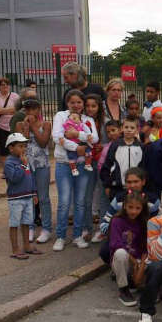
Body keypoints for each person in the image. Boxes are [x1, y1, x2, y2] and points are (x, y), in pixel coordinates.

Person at [51, 89, 99, 251]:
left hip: (83, 166)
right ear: (67, 103)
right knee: (64, 202)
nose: (76, 105)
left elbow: (95, 138)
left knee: (80, 202)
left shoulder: (87, 119)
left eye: (79, 102)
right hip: (64, 164)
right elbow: (57, 136)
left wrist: (76, 133)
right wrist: (78, 147)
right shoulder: (60, 116)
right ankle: (61, 236)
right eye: (72, 102)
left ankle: (77, 235)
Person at [14, 99, 53, 244]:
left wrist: (33, 128)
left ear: (39, 109)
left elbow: (43, 142)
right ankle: (29, 227)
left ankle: (46, 228)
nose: (30, 112)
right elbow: (21, 143)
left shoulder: (46, 124)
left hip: (42, 165)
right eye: (27, 109)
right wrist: (25, 127)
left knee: (43, 198)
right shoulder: (19, 125)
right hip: (27, 165)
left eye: (33, 109)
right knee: (29, 196)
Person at [3, 133, 43, 260]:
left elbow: (30, 177)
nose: (23, 149)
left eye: (24, 146)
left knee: (26, 222)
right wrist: (24, 165)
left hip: (27, 197)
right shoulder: (9, 163)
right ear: (11, 148)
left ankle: (27, 246)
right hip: (16, 198)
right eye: (20, 146)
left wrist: (34, 192)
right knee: (14, 224)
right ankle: (15, 249)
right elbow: (15, 178)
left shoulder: (24, 160)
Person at [108, 190, 150, 306]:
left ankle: (136, 283)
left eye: (137, 208)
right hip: (123, 259)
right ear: (125, 206)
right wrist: (132, 259)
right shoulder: (117, 220)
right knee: (120, 253)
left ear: (142, 209)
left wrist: (141, 263)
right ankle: (123, 289)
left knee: (152, 261)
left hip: (137, 259)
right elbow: (115, 244)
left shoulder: (143, 222)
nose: (133, 211)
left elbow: (145, 246)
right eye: (130, 207)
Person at [100, 116, 144, 201]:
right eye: (126, 127)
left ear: (137, 130)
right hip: (117, 188)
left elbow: (144, 168)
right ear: (121, 129)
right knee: (117, 212)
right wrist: (107, 185)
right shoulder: (115, 145)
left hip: (136, 188)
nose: (129, 130)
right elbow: (107, 166)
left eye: (132, 128)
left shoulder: (141, 147)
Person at [83, 94, 105, 241]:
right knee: (87, 195)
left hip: (102, 161)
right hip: (87, 161)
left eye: (94, 106)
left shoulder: (105, 123)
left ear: (99, 107)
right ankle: (87, 227)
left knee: (103, 194)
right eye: (88, 106)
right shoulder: (80, 122)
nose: (90, 109)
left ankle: (102, 228)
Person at [0, 77, 20, 169]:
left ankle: (16, 166)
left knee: (15, 147)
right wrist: (11, 110)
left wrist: (3, 110)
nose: (5, 86)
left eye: (7, 84)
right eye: (2, 84)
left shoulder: (15, 96)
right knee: (3, 149)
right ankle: (6, 169)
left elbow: (18, 109)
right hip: (1, 126)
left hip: (13, 125)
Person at [62, 111, 94, 176]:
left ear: (80, 120)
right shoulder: (66, 125)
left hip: (82, 142)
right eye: (73, 117)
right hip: (72, 144)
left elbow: (88, 133)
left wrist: (88, 135)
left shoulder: (82, 125)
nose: (75, 117)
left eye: (77, 117)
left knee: (88, 152)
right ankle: (73, 169)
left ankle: (88, 164)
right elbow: (64, 134)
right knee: (71, 156)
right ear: (68, 119)